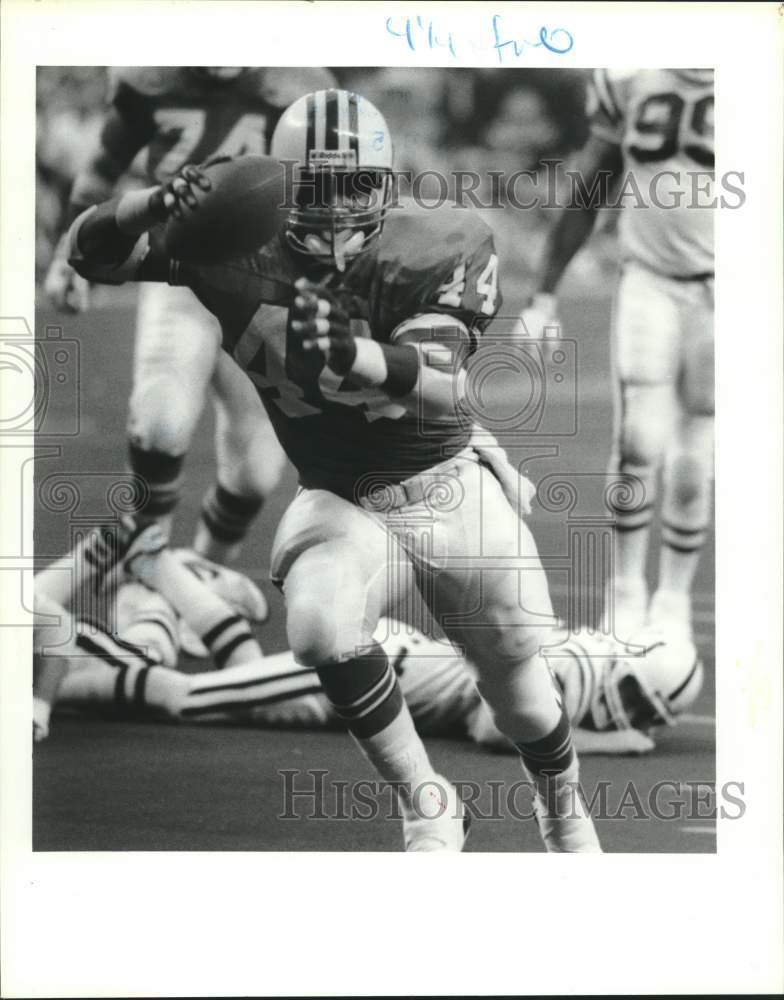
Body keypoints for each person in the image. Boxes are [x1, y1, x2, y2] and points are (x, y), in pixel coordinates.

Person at [67, 87, 602, 852]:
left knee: (519, 691)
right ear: (282, 186)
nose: (342, 205)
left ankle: (563, 810)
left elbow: (442, 377)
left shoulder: (436, 241)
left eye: (360, 183)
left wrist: (353, 353)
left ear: (386, 183)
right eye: (319, 186)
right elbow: (90, 252)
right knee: (319, 624)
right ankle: (428, 804)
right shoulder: (231, 245)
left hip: (444, 483)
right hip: (345, 499)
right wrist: (150, 203)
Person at [38, 525, 703, 758]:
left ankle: (158, 570)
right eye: (648, 707)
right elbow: (493, 727)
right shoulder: (582, 675)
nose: (644, 721)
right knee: (184, 697)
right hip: (378, 667)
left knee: (243, 676)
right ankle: (55, 665)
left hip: (390, 663)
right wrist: (607, 740)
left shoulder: (587, 660)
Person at [43, 67, 331, 565]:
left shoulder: (296, 84)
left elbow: (323, 189)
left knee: (257, 470)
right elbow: (105, 165)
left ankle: (206, 570)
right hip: (174, 267)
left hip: (263, 280)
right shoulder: (153, 80)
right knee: (160, 419)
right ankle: (146, 571)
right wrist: (65, 252)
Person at [521, 69, 714, 640]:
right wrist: (544, 291)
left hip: (729, 286)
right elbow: (591, 186)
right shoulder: (632, 70)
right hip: (649, 278)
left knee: (694, 457)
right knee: (639, 445)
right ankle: (626, 592)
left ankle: (674, 599)